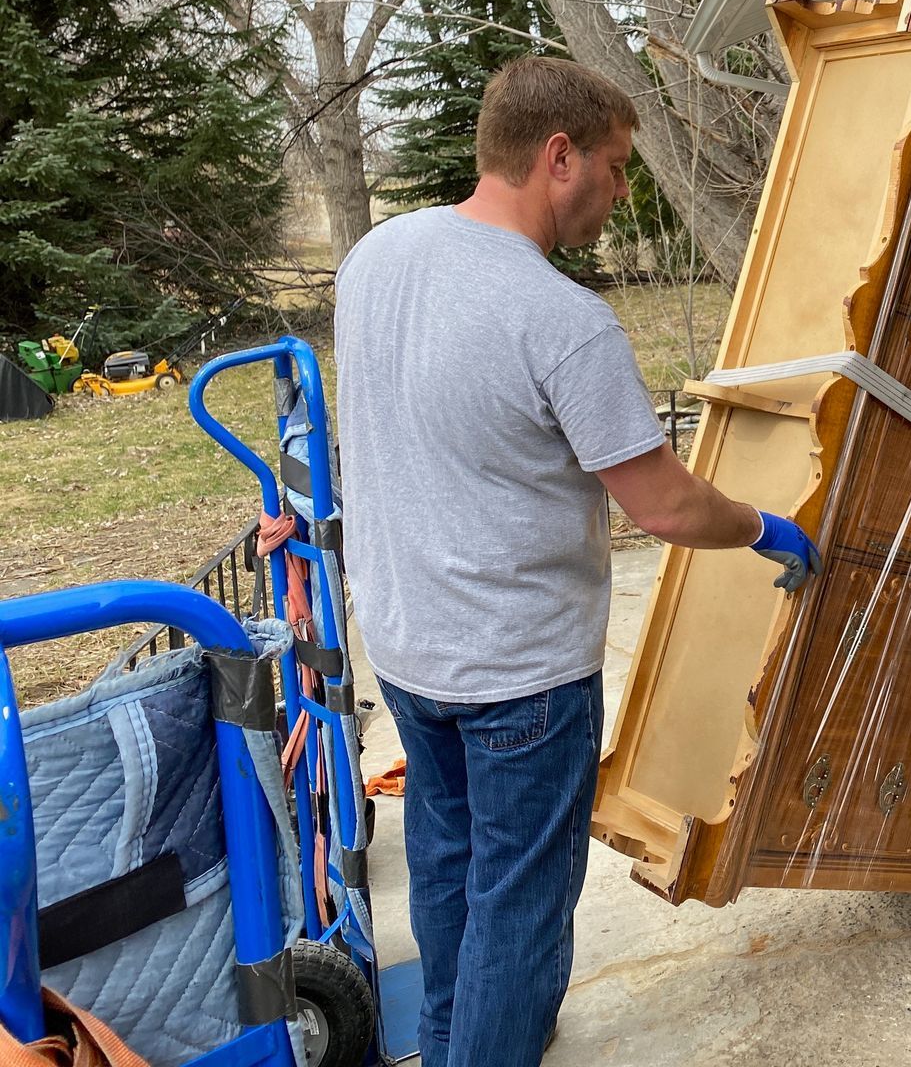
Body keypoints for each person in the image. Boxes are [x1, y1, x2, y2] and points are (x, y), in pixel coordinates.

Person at [334, 56, 822, 1067]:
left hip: (409, 652)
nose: (620, 189)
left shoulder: (379, 256)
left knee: (448, 861)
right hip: (521, 681)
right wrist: (770, 529)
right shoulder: (562, 322)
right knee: (521, 910)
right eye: (614, 164)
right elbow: (668, 504)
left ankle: (452, 1037)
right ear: (559, 157)